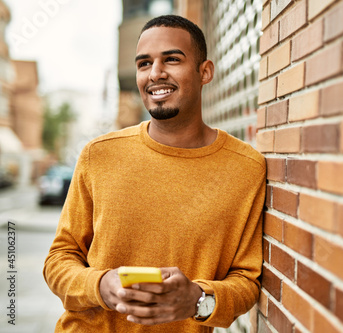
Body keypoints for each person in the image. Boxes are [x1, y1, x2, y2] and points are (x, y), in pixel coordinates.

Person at [43, 15, 266, 333]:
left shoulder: (246, 168)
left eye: (172, 59)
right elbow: (59, 260)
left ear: (205, 72)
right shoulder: (99, 155)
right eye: (144, 63)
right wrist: (101, 285)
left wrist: (197, 300)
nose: (155, 74)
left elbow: (246, 281)